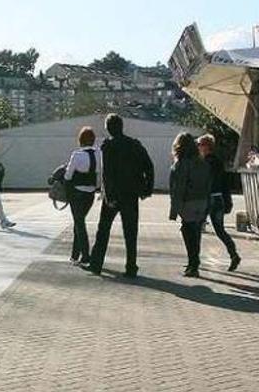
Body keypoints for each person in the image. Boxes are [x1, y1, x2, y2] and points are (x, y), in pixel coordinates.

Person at [88, 114, 154, 278]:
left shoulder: (107, 146)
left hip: (113, 195)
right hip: (131, 194)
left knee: (103, 230)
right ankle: (131, 266)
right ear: (122, 126)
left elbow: (107, 174)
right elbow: (149, 166)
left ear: (108, 128)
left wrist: (109, 197)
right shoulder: (135, 145)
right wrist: (147, 189)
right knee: (131, 232)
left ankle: (96, 264)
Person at [170, 133, 212, 278]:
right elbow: (208, 183)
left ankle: (193, 264)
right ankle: (194, 261)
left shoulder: (181, 164)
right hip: (202, 201)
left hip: (188, 201)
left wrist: (174, 210)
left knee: (188, 231)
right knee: (196, 231)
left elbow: (178, 188)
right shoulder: (201, 162)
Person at [197, 134, 241, 271]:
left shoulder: (204, 163)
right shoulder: (218, 162)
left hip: (207, 199)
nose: (198, 148)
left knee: (196, 229)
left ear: (206, 146)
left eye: (200, 145)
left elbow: (204, 182)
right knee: (220, 230)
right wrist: (228, 202)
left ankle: (194, 259)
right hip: (218, 199)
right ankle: (233, 254)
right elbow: (224, 184)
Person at [64, 126, 101, 267]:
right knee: (78, 222)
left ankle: (85, 255)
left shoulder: (77, 155)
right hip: (90, 193)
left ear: (81, 140)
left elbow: (68, 175)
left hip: (77, 192)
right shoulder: (99, 154)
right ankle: (74, 255)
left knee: (79, 224)